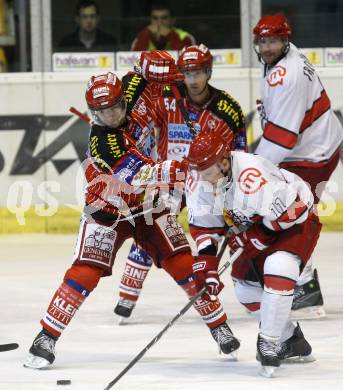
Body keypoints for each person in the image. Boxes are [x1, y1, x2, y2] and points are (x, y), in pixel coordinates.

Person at [24, 64, 240, 369]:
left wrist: (160, 66)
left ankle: (220, 327)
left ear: (124, 99)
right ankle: (46, 336)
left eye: (114, 106)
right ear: (92, 112)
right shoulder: (103, 142)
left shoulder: (132, 91)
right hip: (108, 210)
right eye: (102, 110)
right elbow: (143, 175)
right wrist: (186, 165)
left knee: (183, 263)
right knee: (85, 271)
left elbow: (145, 68)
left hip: (149, 206)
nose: (110, 114)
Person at [114, 45, 247, 327]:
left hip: (208, 180)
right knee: (149, 230)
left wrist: (235, 194)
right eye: (187, 72)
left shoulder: (228, 109)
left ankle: (242, 290)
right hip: (171, 175)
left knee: (216, 236)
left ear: (208, 71)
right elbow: (140, 118)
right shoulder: (166, 96)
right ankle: (127, 294)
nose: (193, 79)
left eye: (198, 72)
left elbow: (240, 153)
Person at [186, 127, 319, 377]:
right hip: (251, 225)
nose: (202, 179)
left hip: (295, 220)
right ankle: (291, 340)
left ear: (225, 162)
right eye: (198, 172)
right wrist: (207, 264)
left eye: (208, 172)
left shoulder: (251, 174)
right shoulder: (199, 179)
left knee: (278, 267)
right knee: (246, 290)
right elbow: (204, 226)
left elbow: (295, 211)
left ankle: (269, 341)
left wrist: (258, 237)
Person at [252, 14, 343, 319]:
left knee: (287, 214)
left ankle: (303, 285)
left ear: (285, 40)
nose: (267, 47)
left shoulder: (286, 75)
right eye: (263, 41)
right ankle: (302, 280)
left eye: (273, 41)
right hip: (317, 144)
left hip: (310, 154)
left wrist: (252, 168)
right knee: (285, 212)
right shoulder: (285, 58)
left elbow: (282, 138)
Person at [131, 5, 196, 51]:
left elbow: (186, 56)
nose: (159, 22)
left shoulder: (185, 36)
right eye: (155, 18)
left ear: (172, 20)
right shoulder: (143, 35)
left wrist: (170, 34)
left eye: (164, 18)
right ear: (150, 20)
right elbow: (134, 58)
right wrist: (146, 33)